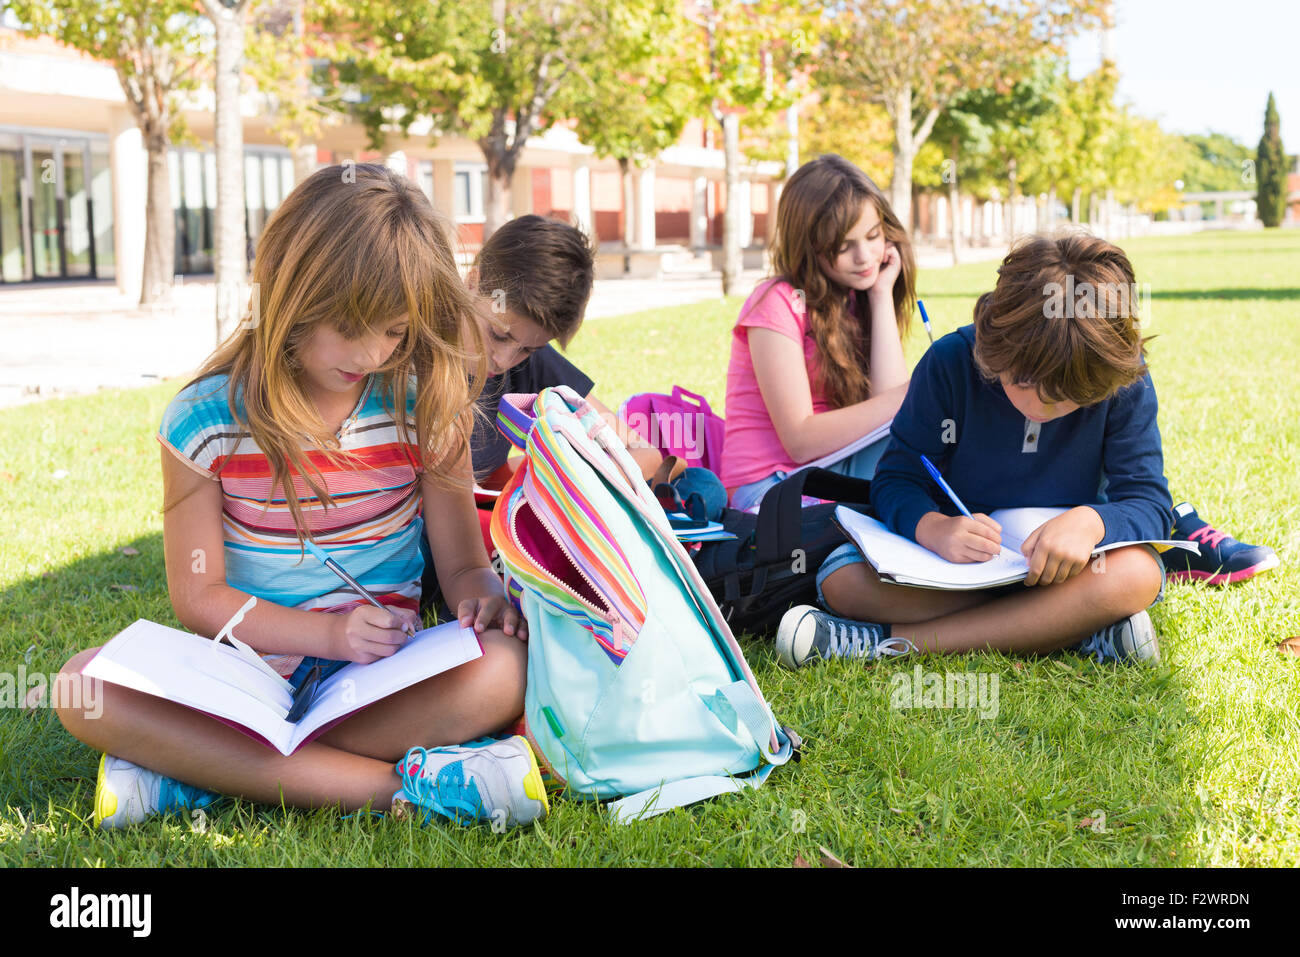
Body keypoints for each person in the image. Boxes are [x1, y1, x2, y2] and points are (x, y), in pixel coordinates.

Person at [53, 164, 547, 829]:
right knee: (82, 687)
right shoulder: (205, 421)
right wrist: (328, 632)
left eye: (396, 332)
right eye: (352, 325)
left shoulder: (425, 406)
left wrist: (481, 597)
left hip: (376, 683)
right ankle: (403, 789)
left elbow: (462, 565)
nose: (373, 352)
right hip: (245, 681)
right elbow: (201, 598)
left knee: (506, 667)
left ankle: (198, 770)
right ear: (291, 291)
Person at [776, 232, 1171, 669]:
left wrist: (1091, 522)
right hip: (953, 571)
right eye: (1023, 384)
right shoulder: (950, 363)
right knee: (842, 580)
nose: (1041, 407)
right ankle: (1071, 626)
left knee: (1138, 573)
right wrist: (933, 528)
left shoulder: (1122, 377)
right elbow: (896, 478)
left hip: (1067, 570)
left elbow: (1150, 504)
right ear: (994, 344)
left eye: (1067, 397)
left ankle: (888, 643)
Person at [720, 154, 916, 511]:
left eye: (873, 236)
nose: (865, 257)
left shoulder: (858, 297)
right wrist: (913, 393)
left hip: (832, 466)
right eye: (843, 246)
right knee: (911, 468)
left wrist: (881, 295)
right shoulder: (776, 302)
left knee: (921, 459)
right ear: (809, 249)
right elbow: (800, 440)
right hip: (770, 485)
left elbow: (888, 409)